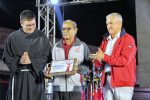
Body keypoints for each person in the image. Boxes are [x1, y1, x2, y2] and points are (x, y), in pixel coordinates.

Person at [2, 10, 51, 100]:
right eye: (28, 25)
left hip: (36, 79)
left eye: (33, 24)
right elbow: (7, 58)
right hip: (19, 78)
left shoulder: (42, 37)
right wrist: (19, 61)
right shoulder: (13, 37)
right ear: (21, 23)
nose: (32, 27)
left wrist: (31, 61)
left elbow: (47, 57)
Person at [90, 12, 137, 100]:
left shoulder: (128, 39)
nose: (108, 26)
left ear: (119, 23)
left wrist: (104, 57)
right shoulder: (105, 41)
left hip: (123, 83)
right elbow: (100, 60)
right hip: (106, 82)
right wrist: (97, 60)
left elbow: (124, 60)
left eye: (111, 23)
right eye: (107, 23)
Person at [52, 20, 91, 100]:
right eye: (63, 29)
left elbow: (89, 67)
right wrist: (47, 70)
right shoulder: (55, 47)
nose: (65, 31)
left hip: (75, 89)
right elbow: (50, 65)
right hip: (57, 90)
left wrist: (77, 68)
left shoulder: (82, 46)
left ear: (75, 30)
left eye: (68, 29)